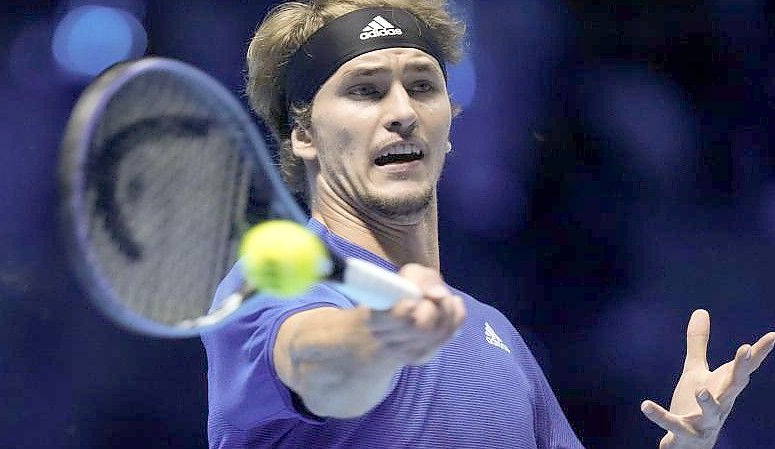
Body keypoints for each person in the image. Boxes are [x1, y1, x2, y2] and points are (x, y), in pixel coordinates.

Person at [201, 1, 775, 447]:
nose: (402, 112)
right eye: (364, 90)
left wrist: (687, 445)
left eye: (422, 86)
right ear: (303, 135)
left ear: (450, 124)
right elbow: (316, 363)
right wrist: (381, 336)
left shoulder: (493, 333)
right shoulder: (274, 284)